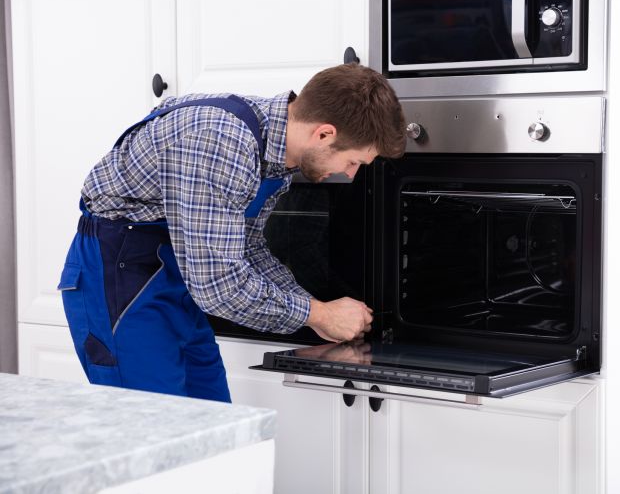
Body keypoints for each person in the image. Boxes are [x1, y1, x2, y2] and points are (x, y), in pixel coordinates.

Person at [57, 63, 406, 402]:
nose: (350, 175)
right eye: (354, 161)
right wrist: (317, 315)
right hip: (121, 281)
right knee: (155, 439)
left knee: (215, 428)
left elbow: (248, 248)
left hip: (174, 282)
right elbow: (218, 286)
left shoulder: (274, 154)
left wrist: (315, 310)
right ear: (324, 134)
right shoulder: (222, 140)